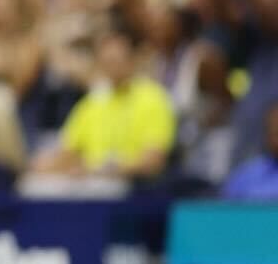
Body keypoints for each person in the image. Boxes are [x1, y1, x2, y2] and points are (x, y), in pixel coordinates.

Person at [30, 28, 176, 182]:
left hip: (135, 191)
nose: (113, 67)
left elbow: (153, 162)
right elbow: (68, 153)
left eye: (118, 60)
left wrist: (103, 171)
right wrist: (45, 165)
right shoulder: (93, 101)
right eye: (107, 62)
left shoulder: (154, 98)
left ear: (132, 60)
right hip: (93, 188)